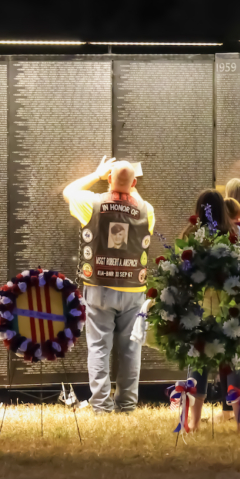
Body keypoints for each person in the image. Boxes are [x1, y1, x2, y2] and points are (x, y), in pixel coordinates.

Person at [63, 157, 155, 414]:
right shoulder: (147, 209)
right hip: (133, 290)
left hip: (99, 287)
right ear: (135, 183)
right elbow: (131, 197)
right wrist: (127, 183)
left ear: (109, 179)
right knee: (130, 349)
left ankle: (101, 405)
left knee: (99, 347)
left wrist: (96, 173)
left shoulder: (91, 203)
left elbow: (68, 191)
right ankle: (126, 404)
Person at [180, 190, 240, 432]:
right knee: (236, 363)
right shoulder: (237, 234)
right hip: (231, 310)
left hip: (200, 309)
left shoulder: (191, 236)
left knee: (198, 363)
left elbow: (181, 271)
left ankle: (194, 422)